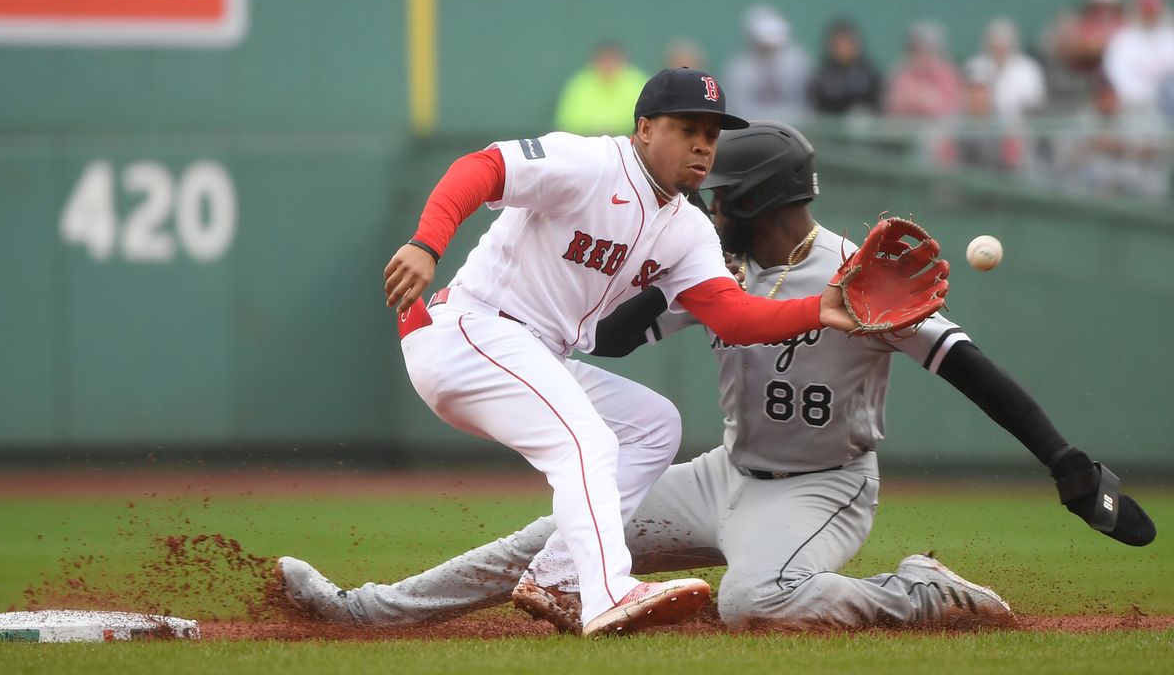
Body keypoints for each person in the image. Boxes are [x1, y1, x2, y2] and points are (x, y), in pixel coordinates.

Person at [275, 122, 1154, 634]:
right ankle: (367, 610)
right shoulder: (715, 274)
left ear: (763, 207)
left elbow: (973, 372)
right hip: (723, 475)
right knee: (566, 529)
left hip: (822, 489)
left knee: (752, 602)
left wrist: (1064, 460)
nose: (707, 208)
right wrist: (616, 271)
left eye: (724, 199)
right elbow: (620, 339)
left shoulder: (865, 279)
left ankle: (912, 589)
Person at [280, 68, 925, 638]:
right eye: (687, 127)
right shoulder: (589, 163)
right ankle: (608, 591)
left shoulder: (687, 227)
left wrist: (820, 309)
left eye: (713, 132)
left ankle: (561, 573)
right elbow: (482, 168)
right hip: (468, 331)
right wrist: (427, 242)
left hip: (532, 351)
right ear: (644, 128)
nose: (703, 144)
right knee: (587, 444)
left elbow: (731, 314)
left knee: (653, 426)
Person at [724, 5, 812, 122]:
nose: (770, 50)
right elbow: (739, 109)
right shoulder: (739, 70)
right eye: (764, 46)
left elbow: (804, 105)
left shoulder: (798, 63)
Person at [552, 41, 650, 136]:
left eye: (612, 60)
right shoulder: (580, 86)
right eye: (604, 60)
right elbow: (567, 125)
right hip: (586, 146)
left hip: (629, 145)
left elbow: (648, 121)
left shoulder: (638, 83)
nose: (608, 65)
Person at [1103, 0, 1174, 113]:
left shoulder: (1170, 37)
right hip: (1133, 108)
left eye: (1153, 11)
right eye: (1146, 11)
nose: (1150, 16)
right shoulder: (1123, 40)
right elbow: (1118, 77)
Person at [965, 18, 1046, 121]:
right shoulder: (975, 66)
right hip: (981, 125)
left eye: (1004, 45)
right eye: (995, 45)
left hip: (1021, 127)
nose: (1000, 50)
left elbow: (1035, 105)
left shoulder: (1028, 69)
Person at [886, 21, 961, 119]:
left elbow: (951, 109)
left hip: (940, 131)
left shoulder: (947, 74)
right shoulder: (901, 74)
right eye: (914, 50)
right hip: (908, 131)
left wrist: (925, 99)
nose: (919, 55)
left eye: (923, 49)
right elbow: (892, 107)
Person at [808, 18, 882, 115]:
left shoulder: (869, 74)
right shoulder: (822, 75)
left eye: (848, 43)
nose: (843, 49)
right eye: (838, 44)